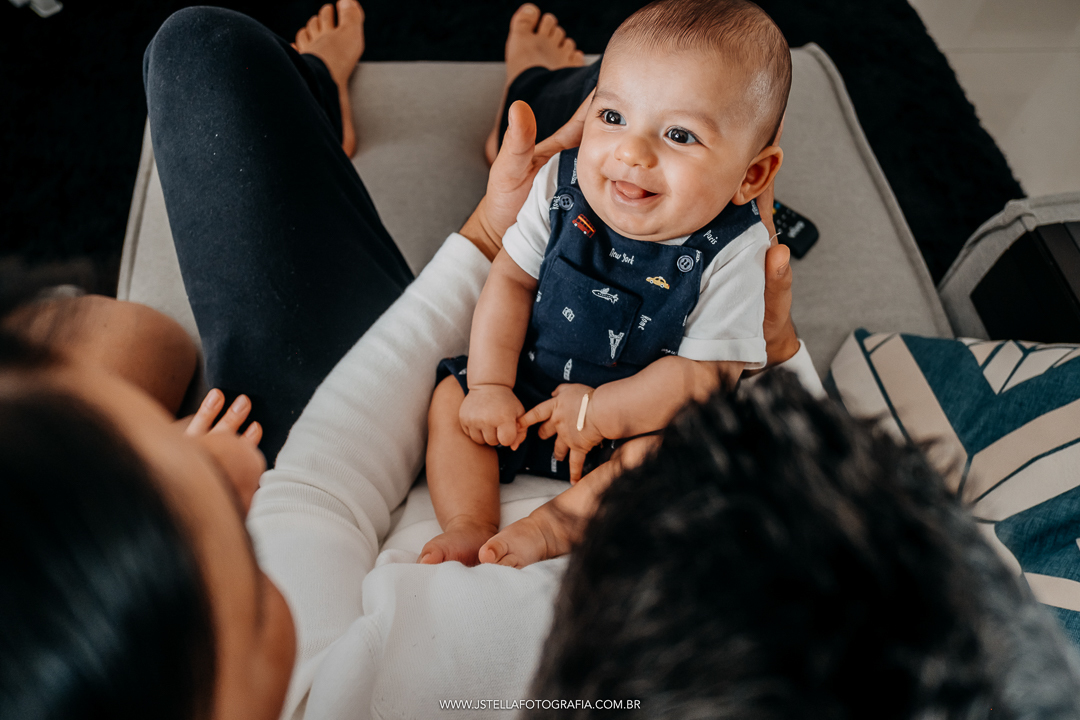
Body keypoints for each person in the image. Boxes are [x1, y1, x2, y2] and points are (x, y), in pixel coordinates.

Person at [7, 3, 1075, 720]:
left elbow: (319, 479)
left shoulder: (288, 651)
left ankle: (521, 103)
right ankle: (555, 90)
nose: (248, 540)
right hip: (577, 423)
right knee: (617, 147)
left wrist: (484, 246)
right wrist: (776, 358)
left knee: (199, 51)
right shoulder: (730, 663)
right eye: (234, 576)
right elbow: (789, 496)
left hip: (434, 396)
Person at [421, 0, 790, 567]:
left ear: (751, 175)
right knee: (452, 396)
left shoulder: (736, 251)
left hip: (634, 424)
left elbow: (703, 378)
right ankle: (470, 522)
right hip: (531, 387)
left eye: (679, 135)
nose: (631, 152)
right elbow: (511, 282)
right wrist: (491, 384)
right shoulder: (559, 187)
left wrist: (601, 413)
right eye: (613, 117)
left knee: (679, 455)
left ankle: (554, 526)